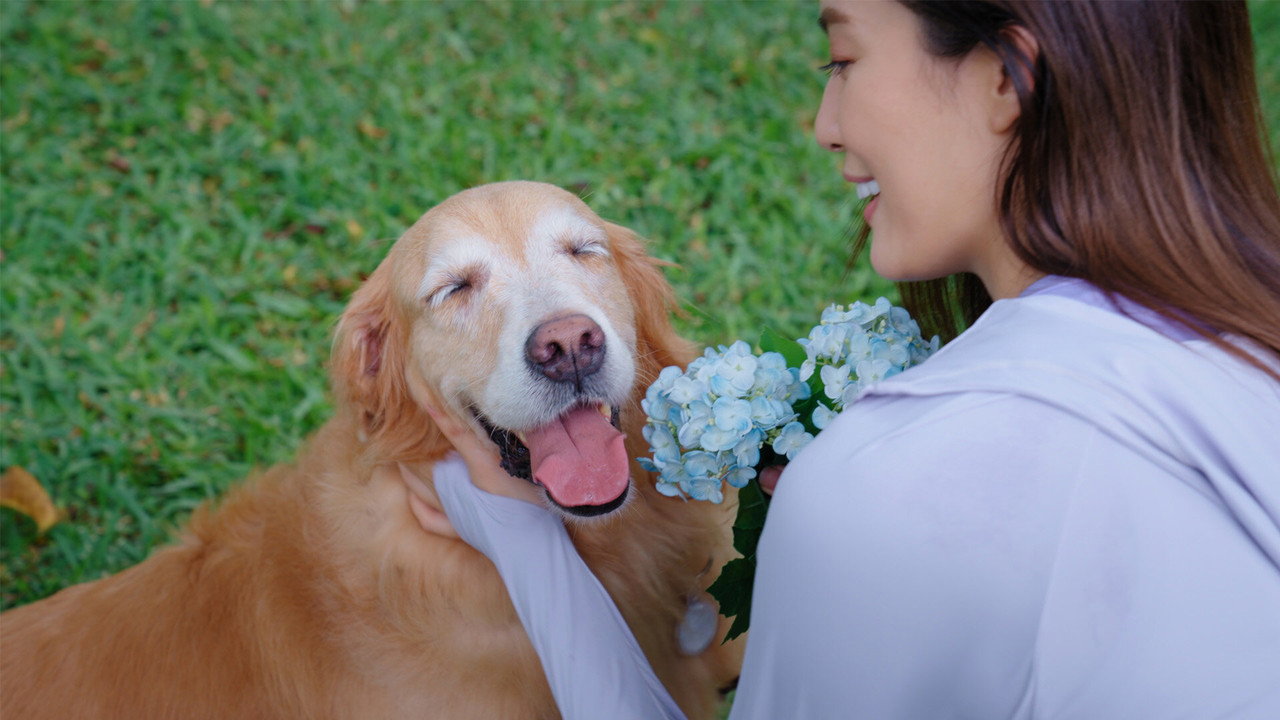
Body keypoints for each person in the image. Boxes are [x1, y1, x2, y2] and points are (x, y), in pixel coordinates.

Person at [422, 1, 1280, 717]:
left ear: (1005, 78)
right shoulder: (1250, 339)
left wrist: (514, 529)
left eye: (842, 60)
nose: (826, 127)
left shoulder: (884, 490)